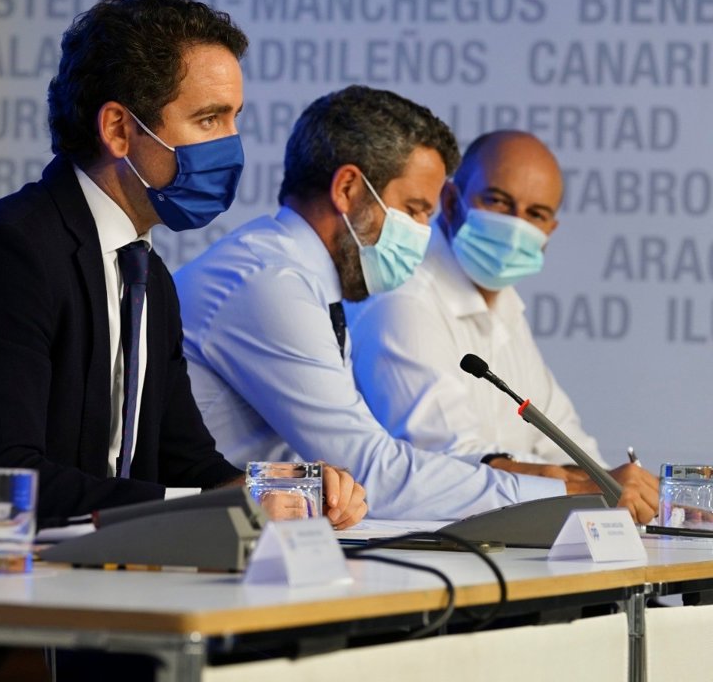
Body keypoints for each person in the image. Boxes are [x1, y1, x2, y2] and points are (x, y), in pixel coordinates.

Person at [0, 0, 366, 528]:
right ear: (117, 129)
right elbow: (2, 479)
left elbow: (188, 464)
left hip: (81, 566)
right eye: (208, 120)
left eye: (234, 120)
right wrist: (219, 507)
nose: (232, 145)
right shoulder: (4, 253)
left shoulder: (147, 275)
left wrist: (294, 488)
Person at [175, 86, 657, 523]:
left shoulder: (303, 280)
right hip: (195, 549)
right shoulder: (269, 284)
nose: (424, 234)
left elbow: (356, 475)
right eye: (414, 210)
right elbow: (374, 471)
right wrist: (564, 492)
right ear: (347, 190)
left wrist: (571, 485)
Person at [348, 130, 658, 501]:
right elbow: (449, 459)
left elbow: (564, 443)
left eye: (535, 214)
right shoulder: (402, 297)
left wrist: (621, 484)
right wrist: (589, 484)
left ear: (549, 231)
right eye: (497, 201)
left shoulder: (506, 306)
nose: (515, 227)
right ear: (451, 202)